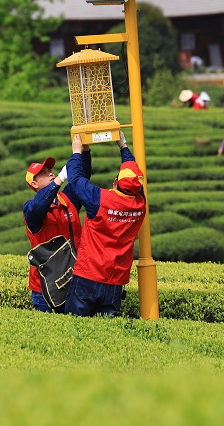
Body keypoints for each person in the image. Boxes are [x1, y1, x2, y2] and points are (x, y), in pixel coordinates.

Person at [64, 131, 146, 317]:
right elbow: (134, 176)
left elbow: (76, 180)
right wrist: (124, 147)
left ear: (115, 181)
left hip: (88, 274)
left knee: (74, 325)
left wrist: (78, 153)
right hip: (115, 280)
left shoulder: (100, 199)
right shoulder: (141, 204)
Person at [23, 146, 91, 313]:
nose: (51, 173)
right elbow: (40, 205)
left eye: (51, 171)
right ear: (34, 183)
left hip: (75, 280)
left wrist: (84, 152)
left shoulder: (67, 200)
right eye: (44, 173)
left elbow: (83, 177)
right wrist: (59, 180)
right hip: (45, 288)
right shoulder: (31, 209)